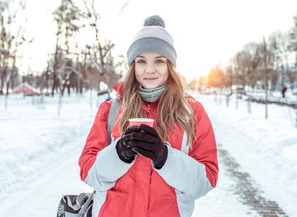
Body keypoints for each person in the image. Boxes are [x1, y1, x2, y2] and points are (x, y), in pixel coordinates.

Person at [79, 15, 218, 216]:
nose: (150, 70)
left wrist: (165, 158)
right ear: (133, 66)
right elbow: (88, 173)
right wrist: (118, 154)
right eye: (141, 61)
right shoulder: (110, 110)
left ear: (170, 66)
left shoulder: (192, 112)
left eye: (159, 61)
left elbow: (206, 181)